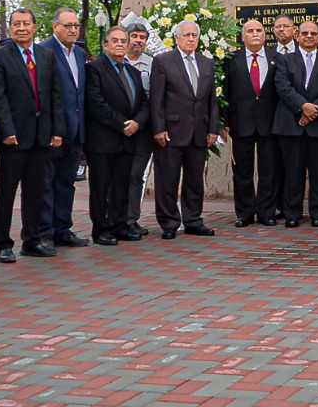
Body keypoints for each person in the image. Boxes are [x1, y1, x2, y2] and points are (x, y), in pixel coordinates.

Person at [0, 8, 64, 263]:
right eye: (15, 24)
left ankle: (31, 240)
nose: (21, 28)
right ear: (10, 28)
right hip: (14, 137)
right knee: (7, 192)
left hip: (41, 136)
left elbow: (55, 95)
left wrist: (57, 130)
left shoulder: (46, 55)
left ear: (35, 27)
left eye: (26, 23)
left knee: (35, 192)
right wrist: (6, 130)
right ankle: (2, 244)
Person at [149, 20, 221, 239]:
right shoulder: (163, 61)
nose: (191, 39)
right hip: (171, 131)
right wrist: (159, 128)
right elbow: (156, 98)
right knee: (168, 179)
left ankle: (193, 220)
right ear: (177, 38)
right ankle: (169, 223)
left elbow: (211, 100)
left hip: (198, 132)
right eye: (187, 35)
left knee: (194, 180)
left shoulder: (206, 63)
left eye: (194, 35)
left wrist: (213, 128)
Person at [82, 27, 149, 245]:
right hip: (104, 140)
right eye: (115, 41)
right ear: (104, 44)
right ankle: (101, 229)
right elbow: (96, 103)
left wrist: (138, 122)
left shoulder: (133, 72)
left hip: (128, 140)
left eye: (123, 41)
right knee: (101, 187)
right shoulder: (94, 69)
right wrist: (122, 125)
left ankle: (120, 225)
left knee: (122, 185)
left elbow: (144, 103)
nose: (120, 44)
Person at [273, 20, 318, 226]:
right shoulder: (285, 60)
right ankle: (293, 213)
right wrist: (303, 106)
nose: (309, 36)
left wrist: (314, 111)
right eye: (304, 33)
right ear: (297, 36)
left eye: (313, 33)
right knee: (293, 171)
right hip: (291, 125)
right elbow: (283, 87)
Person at [35, 8, 91, 250]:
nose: (72, 30)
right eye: (67, 25)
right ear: (54, 26)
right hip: (52, 131)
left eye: (76, 25)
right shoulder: (43, 51)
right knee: (46, 182)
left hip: (76, 129)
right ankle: (44, 232)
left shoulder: (79, 54)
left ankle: (62, 228)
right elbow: (44, 94)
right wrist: (52, 128)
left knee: (67, 181)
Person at [224, 19, 282, 227]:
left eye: (259, 30)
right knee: (242, 171)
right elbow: (225, 92)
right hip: (241, 124)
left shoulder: (277, 58)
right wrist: (225, 122)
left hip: (269, 124)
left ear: (265, 35)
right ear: (242, 36)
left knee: (269, 170)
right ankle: (244, 213)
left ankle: (267, 212)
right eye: (250, 31)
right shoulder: (231, 60)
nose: (255, 33)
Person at [122, 20, 157, 237]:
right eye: (134, 36)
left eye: (142, 37)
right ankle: (114, 217)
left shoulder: (153, 64)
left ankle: (131, 219)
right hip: (119, 128)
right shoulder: (117, 61)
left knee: (136, 175)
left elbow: (154, 98)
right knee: (118, 175)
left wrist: (140, 122)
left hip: (143, 128)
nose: (138, 41)